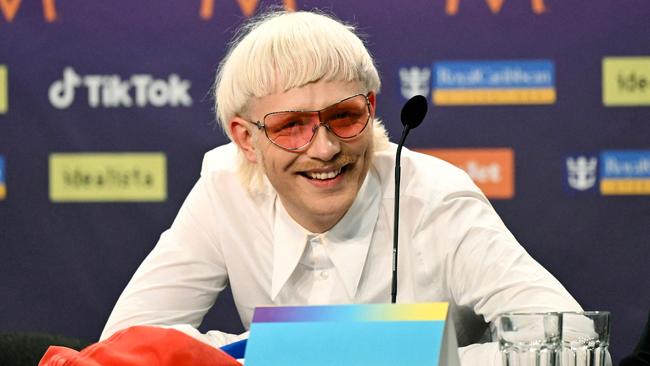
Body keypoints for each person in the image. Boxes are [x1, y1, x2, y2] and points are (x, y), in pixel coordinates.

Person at [101, 9, 582, 364]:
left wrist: (425, 358)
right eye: (291, 125)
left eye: (344, 116)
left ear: (371, 106)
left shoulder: (435, 195)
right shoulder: (224, 188)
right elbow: (122, 345)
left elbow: (571, 343)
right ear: (246, 139)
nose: (326, 148)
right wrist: (266, 355)